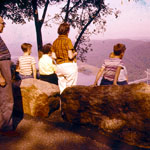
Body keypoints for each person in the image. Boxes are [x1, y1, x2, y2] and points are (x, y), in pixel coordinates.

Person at [0, 16, 16, 135]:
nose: (4, 25)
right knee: (6, 98)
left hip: (4, 67)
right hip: (2, 70)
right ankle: (6, 127)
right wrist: (0, 76)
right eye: (2, 23)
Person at [51, 22, 78, 94]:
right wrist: (75, 53)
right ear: (67, 31)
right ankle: (69, 104)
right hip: (69, 66)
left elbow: (53, 57)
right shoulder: (67, 40)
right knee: (70, 90)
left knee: (62, 89)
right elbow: (70, 56)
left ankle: (62, 104)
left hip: (59, 67)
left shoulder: (55, 42)